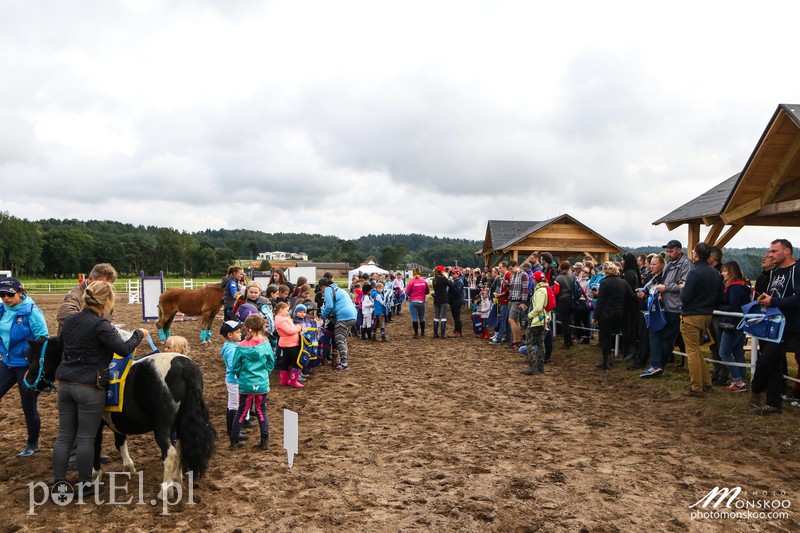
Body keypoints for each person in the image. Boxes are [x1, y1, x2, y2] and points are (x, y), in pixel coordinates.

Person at [53, 281, 148, 495]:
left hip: (66, 384)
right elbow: (123, 349)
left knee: (65, 436)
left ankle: (59, 483)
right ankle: (85, 484)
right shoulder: (101, 325)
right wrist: (139, 334)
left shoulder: (69, 321)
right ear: (106, 302)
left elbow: (62, 344)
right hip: (89, 386)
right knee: (86, 437)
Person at [0, 278, 49, 457]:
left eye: (10, 294)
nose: (5, 298)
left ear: (20, 292)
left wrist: (34, 365)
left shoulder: (32, 313)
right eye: (2, 294)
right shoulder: (1, 310)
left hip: (25, 365)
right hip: (7, 362)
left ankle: (32, 444)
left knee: (28, 404)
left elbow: (43, 339)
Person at [750, 239, 800, 415]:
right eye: (770, 251)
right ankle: (773, 403)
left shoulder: (796, 270)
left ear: (786, 251)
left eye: (774, 251)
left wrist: (774, 301)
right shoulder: (776, 272)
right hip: (773, 323)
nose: (770, 254)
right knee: (774, 363)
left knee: (766, 361)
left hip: (790, 326)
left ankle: (755, 388)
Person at [679, 242, 723, 397]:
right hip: (707, 315)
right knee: (696, 350)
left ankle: (696, 387)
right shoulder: (714, 272)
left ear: (696, 254)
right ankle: (706, 382)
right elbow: (719, 296)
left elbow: (685, 297)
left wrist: (682, 288)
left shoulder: (694, 272)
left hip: (692, 315)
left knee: (691, 352)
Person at [230, 314, 274, 450]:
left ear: (247, 328)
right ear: (261, 328)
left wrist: (242, 375)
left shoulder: (241, 346)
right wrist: (264, 374)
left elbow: (235, 366)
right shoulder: (266, 345)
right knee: (261, 410)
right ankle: (264, 441)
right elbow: (271, 363)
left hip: (246, 382)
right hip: (261, 382)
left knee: (241, 411)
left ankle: (234, 441)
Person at [592, 263, 637, 370]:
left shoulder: (604, 282)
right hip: (619, 313)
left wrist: (595, 316)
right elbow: (631, 296)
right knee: (613, 336)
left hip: (606, 313)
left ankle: (606, 362)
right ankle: (610, 360)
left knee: (605, 337)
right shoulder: (623, 282)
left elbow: (600, 301)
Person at [717, 261, 752, 392]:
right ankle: (742, 379)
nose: (722, 274)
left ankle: (737, 380)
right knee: (737, 352)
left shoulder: (735, 287)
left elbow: (733, 306)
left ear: (731, 272)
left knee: (724, 352)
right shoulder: (742, 286)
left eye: (725, 271)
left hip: (732, 324)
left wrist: (719, 307)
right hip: (739, 323)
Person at [56, 263, 118, 335]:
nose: (105, 288)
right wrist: (97, 326)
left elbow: (108, 317)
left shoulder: (105, 294)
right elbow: (64, 315)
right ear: (90, 278)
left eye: (108, 286)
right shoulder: (75, 295)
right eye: (101, 284)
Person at [319, 277, 357, 371]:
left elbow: (329, 306)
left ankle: (344, 363)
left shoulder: (328, 289)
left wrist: (323, 315)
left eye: (320, 289)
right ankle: (343, 361)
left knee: (339, 339)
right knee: (343, 339)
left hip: (343, 317)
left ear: (322, 286)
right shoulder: (340, 289)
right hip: (352, 315)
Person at [522, 271, 550, 375]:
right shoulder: (546, 289)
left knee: (529, 343)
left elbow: (538, 307)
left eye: (533, 278)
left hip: (536, 321)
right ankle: (540, 367)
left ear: (536, 280)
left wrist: (529, 315)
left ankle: (533, 367)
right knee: (541, 344)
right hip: (543, 320)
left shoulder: (539, 291)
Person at [274, 302, 304, 388]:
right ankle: (293, 380)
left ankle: (284, 380)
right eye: (287, 310)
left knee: (286, 361)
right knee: (296, 361)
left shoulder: (282, 319)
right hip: (289, 344)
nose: (288, 312)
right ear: (281, 310)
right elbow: (289, 331)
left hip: (288, 343)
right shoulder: (281, 320)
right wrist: (298, 327)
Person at [507, 261, 529, 350]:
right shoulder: (513, 275)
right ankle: (519, 340)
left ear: (516, 266)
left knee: (511, 320)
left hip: (518, 300)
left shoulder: (523, 275)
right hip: (512, 299)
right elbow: (512, 288)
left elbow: (525, 289)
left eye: (511, 269)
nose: (510, 271)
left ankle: (516, 341)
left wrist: (523, 302)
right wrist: (508, 285)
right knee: (516, 320)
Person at [553, 261, 575, 350]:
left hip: (563, 300)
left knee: (565, 323)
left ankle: (567, 343)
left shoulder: (558, 278)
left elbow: (556, 292)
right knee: (569, 321)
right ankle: (570, 340)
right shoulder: (572, 276)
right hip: (572, 300)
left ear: (561, 268)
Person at [406, 268, 430, 338]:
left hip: (413, 301)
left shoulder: (411, 282)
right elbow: (427, 291)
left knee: (414, 317)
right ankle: (422, 332)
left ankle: (416, 333)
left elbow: (408, 292)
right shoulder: (424, 281)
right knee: (422, 317)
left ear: (413, 273)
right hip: (421, 301)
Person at [432, 266, 452, 339]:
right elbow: (450, 285)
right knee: (443, 317)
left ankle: (435, 333)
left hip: (436, 299)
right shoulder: (443, 278)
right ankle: (442, 334)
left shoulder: (434, 279)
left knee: (436, 317)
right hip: (443, 299)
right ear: (441, 271)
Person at [448, 269, 465, 337]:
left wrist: (451, 285)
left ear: (458, 274)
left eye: (453, 273)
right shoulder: (456, 281)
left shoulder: (458, 282)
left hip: (457, 300)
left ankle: (458, 331)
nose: (452, 275)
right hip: (454, 300)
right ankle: (457, 331)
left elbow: (457, 291)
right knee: (455, 317)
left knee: (457, 317)